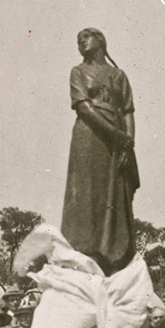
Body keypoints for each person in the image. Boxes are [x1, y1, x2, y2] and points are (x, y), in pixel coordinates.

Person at [61, 27, 138, 276]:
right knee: (85, 190)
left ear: (100, 41)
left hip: (117, 141)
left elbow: (127, 111)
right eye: (78, 39)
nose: (81, 42)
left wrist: (128, 144)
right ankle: (84, 249)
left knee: (114, 192)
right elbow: (83, 107)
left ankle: (113, 252)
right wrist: (118, 136)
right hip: (89, 136)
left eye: (86, 37)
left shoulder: (118, 75)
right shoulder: (78, 72)